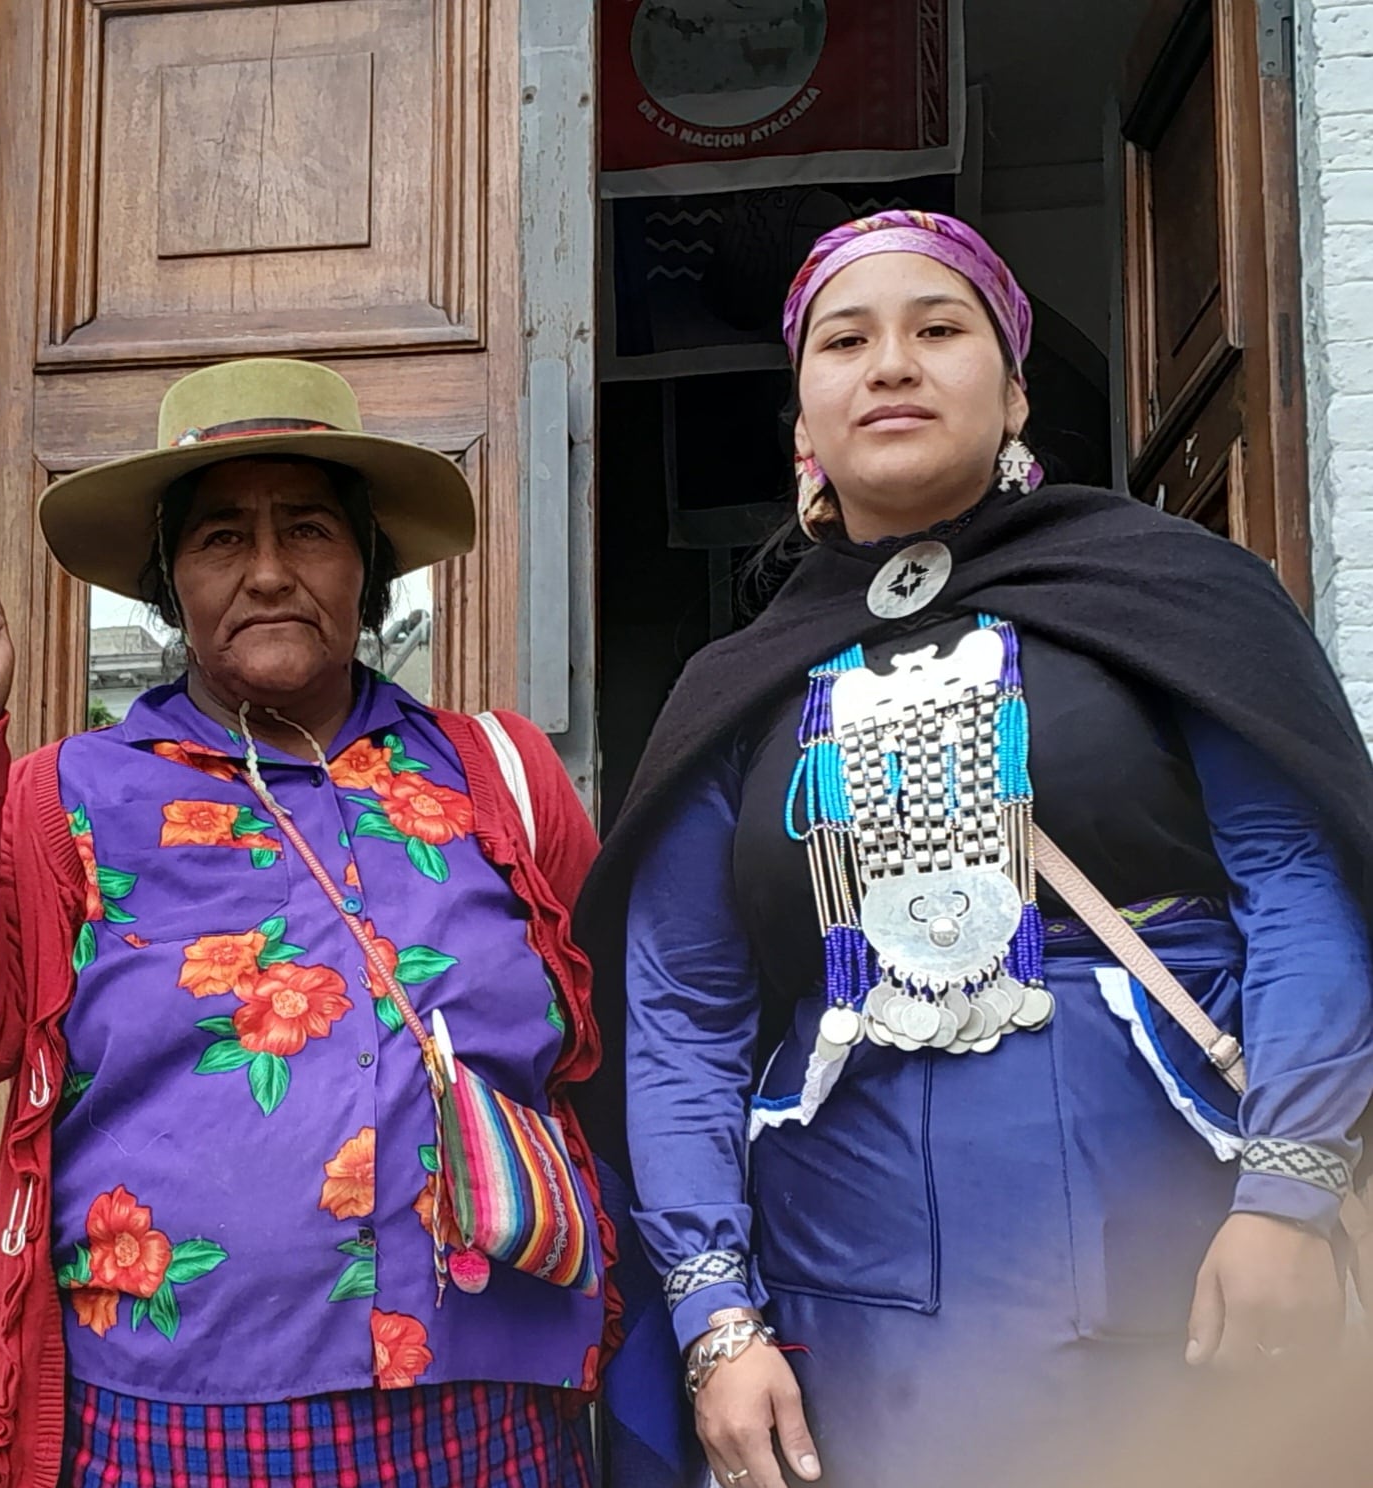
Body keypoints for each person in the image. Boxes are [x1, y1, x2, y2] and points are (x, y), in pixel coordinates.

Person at [577, 213, 1373, 1488]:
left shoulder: (1168, 593)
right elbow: (682, 1013)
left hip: (1182, 1246)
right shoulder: (737, 689)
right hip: (855, 1306)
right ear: (803, 423)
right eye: (847, 340)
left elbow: (1297, 888)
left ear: (1011, 396)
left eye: (938, 330)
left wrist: (1284, 1201)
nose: (891, 364)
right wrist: (718, 1321)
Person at [0, 359, 623, 1487]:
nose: (266, 572)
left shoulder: (500, 775)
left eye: (308, 530)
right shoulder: (69, 797)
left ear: (368, 564)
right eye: (219, 540)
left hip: (485, 1403)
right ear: (170, 583)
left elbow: (612, 1049)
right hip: (177, 1415)